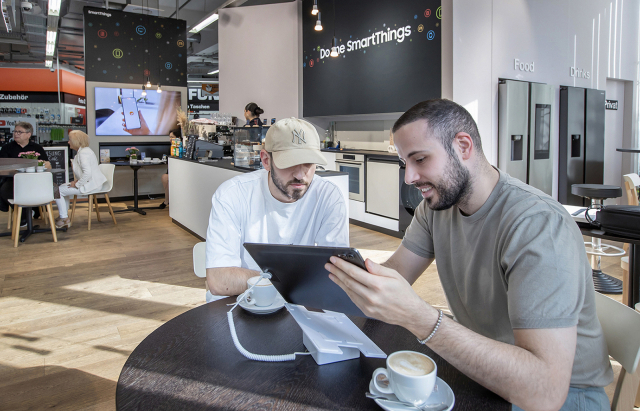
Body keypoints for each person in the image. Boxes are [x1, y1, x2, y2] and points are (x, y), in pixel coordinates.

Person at [325, 99, 613, 411]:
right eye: (405, 163)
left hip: (565, 395)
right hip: (482, 372)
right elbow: (395, 274)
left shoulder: (537, 224)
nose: (409, 177)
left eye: (420, 159)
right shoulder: (435, 210)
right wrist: (331, 277)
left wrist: (419, 317)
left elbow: (543, 392)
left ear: (463, 146)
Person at [205, 117, 349, 300]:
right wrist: (291, 282)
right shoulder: (232, 195)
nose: (300, 174)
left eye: (308, 163)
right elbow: (219, 280)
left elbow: (337, 275)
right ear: (266, 160)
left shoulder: (328, 197)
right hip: (242, 302)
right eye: (289, 162)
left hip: (299, 303)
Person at [0, 122, 51, 226]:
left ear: (28, 134)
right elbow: (2, 167)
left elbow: (48, 165)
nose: (16, 134)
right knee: (4, 190)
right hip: (14, 181)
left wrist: (37, 164)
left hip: (35, 182)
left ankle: (27, 213)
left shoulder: (37, 148)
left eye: (20, 132)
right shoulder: (7, 148)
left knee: (51, 188)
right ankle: (24, 214)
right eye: (15, 131)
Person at [54, 130, 107, 228]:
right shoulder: (84, 151)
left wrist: (77, 184)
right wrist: (77, 181)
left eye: (70, 140)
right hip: (92, 182)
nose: (68, 142)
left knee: (57, 191)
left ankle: (64, 218)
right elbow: (86, 174)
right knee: (61, 188)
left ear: (76, 141)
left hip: (93, 185)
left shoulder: (83, 153)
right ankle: (63, 216)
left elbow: (87, 173)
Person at [159, 128, 181, 209]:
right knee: (164, 177)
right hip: (171, 170)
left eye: (172, 137)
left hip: (178, 171)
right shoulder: (171, 148)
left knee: (168, 180)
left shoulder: (180, 147)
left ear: (178, 137)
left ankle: (167, 201)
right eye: (170, 137)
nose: (170, 139)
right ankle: (169, 199)